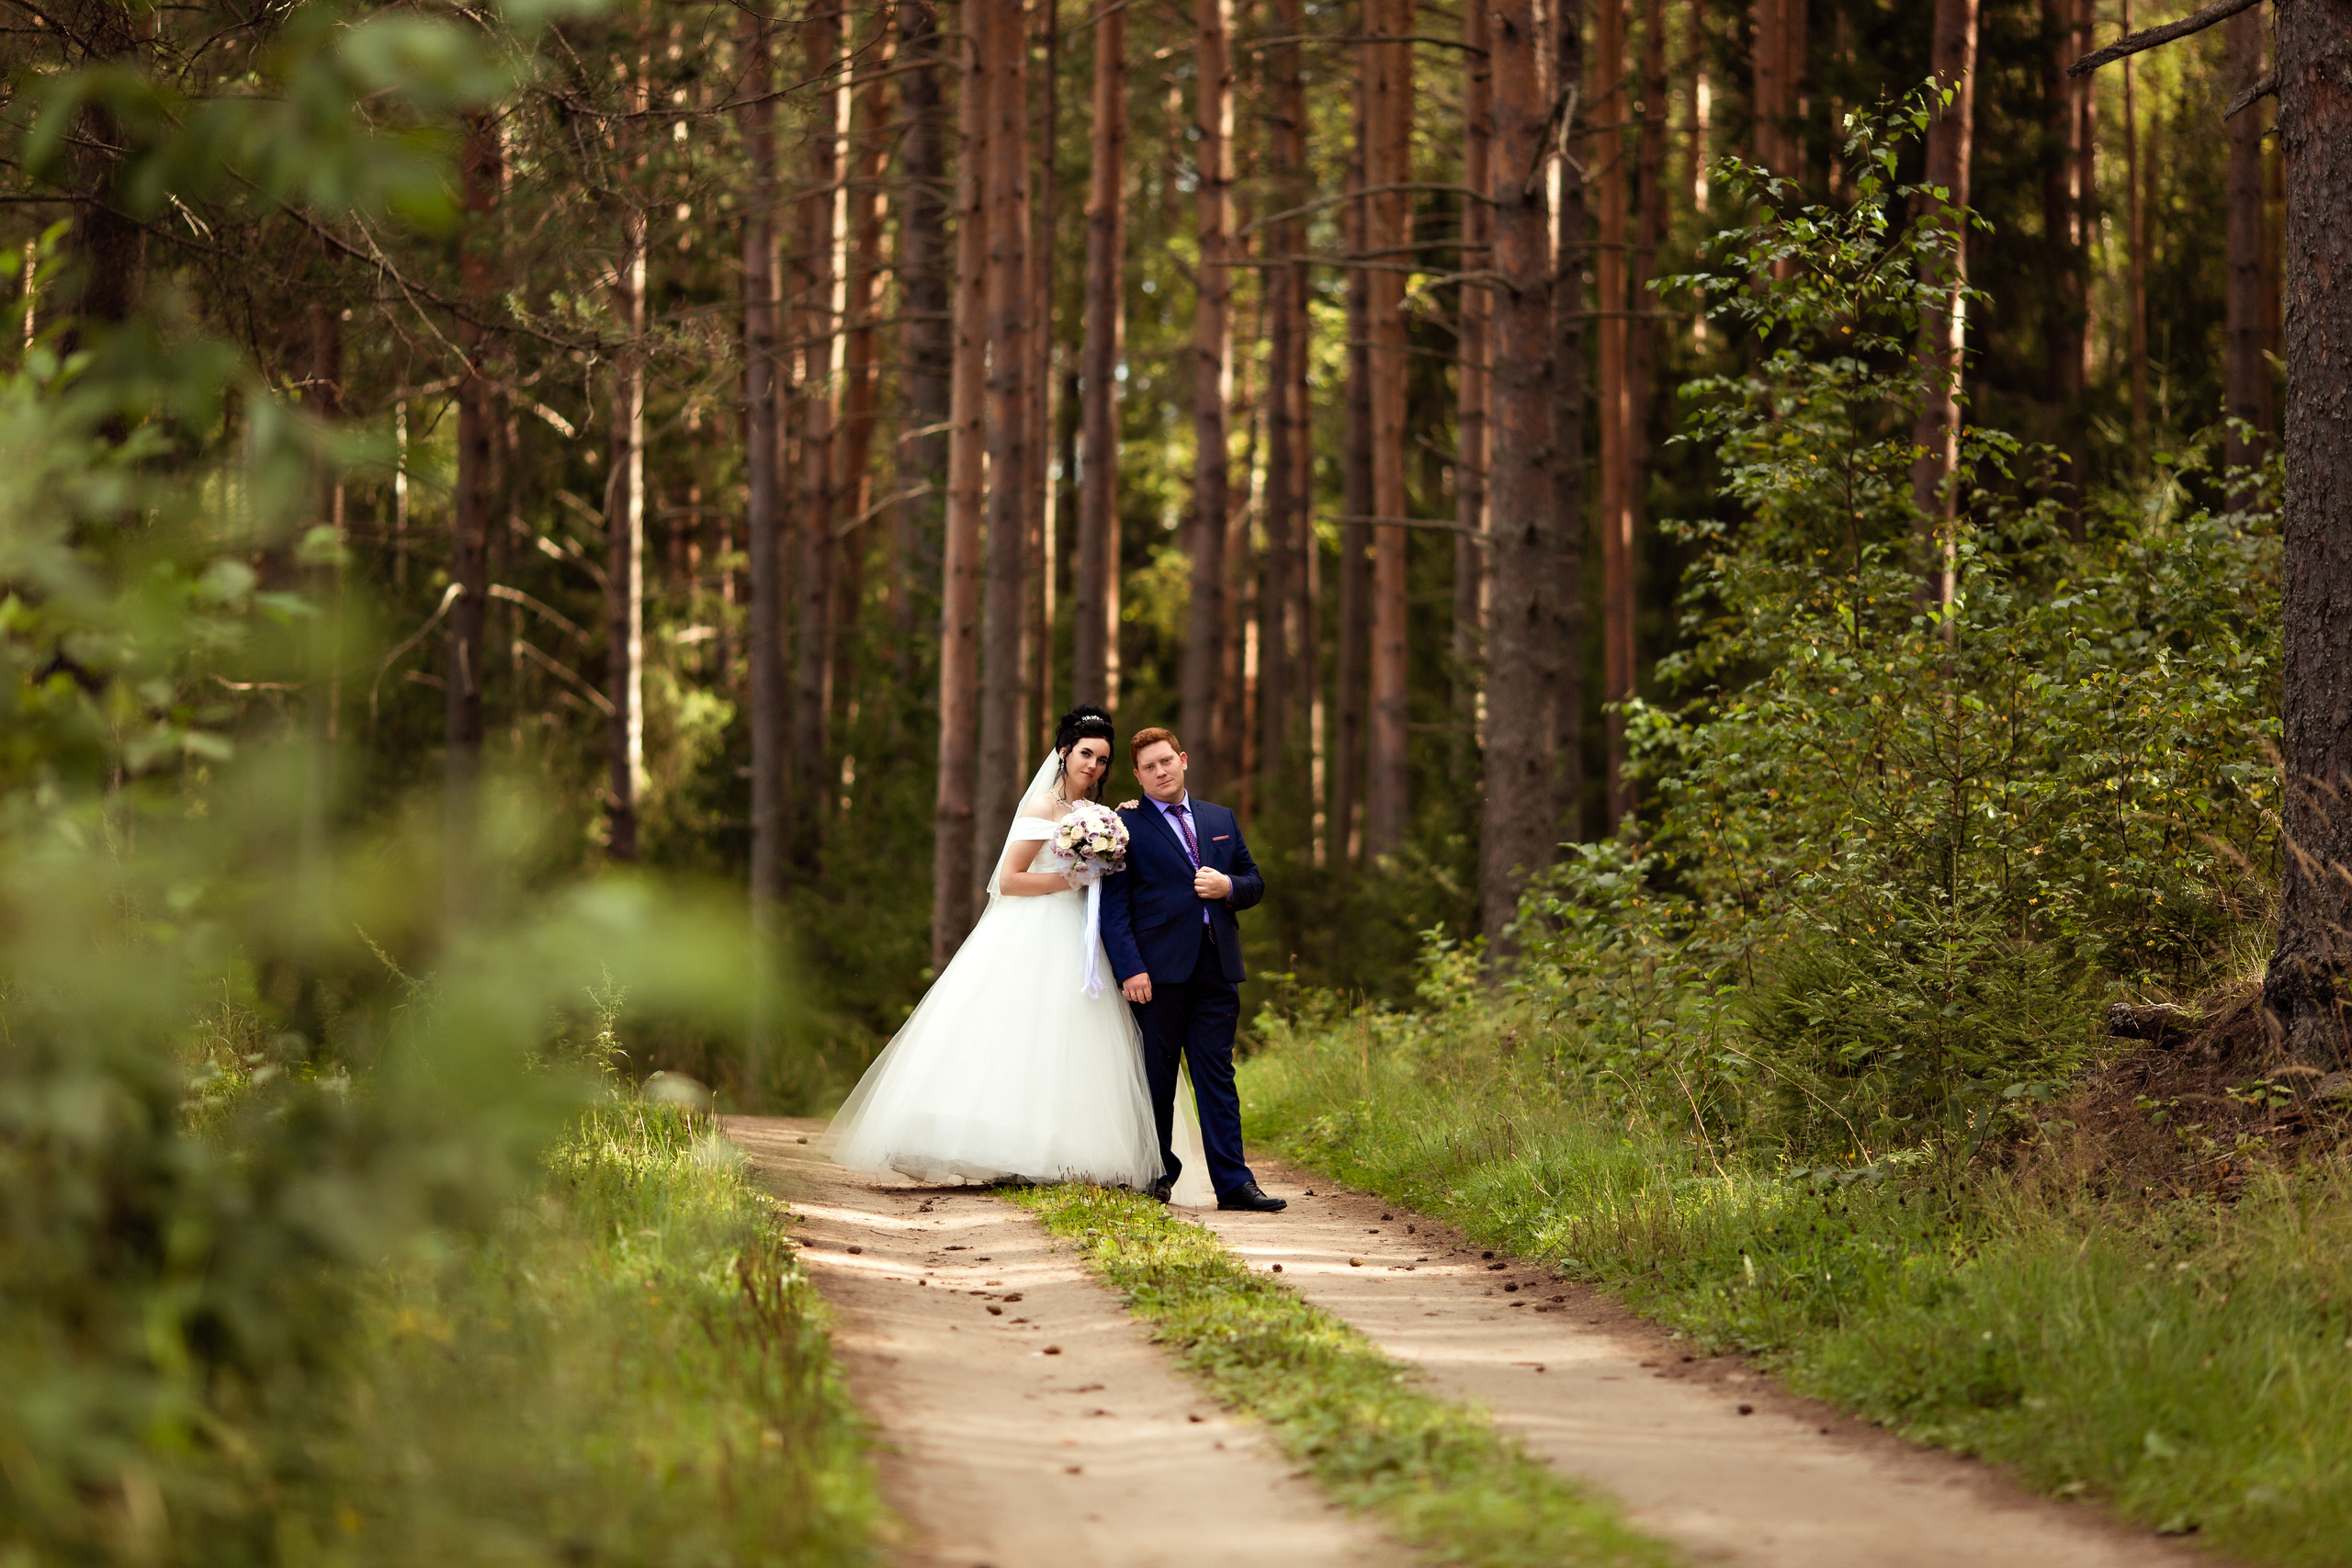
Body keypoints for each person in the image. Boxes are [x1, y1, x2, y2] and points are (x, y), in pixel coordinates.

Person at [818, 706, 1167, 1188]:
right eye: (1086, 754)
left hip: (1082, 937)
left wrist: (1119, 825)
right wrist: (1070, 879)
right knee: (1016, 1033)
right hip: (1034, 929)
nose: (1093, 765)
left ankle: (1057, 1151)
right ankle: (1001, 1145)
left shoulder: (1097, 817)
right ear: (1064, 752)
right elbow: (1008, 880)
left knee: (1066, 1039)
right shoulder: (1041, 808)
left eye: (1103, 759)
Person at [1100, 728, 1286, 1213]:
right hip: (1156, 974)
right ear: (1137, 776)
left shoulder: (1220, 818)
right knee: (1156, 1078)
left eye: (1166, 761)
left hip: (1217, 967)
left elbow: (1254, 881)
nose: (1160, 771)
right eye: (1149, 767)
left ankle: (1235, 1184)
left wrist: (1228, 887)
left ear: (1182, 760)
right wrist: (1130, 969)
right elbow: (1114, 909)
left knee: (1217, 1077)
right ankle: (1156, 1175)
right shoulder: (1124, 826)